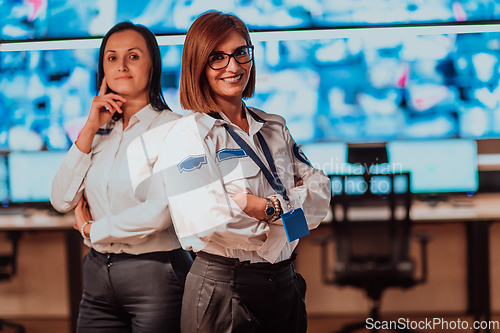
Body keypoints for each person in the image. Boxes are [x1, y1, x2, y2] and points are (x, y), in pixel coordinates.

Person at [156, 11, 331, 333]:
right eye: (217, 58)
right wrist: (291, 208)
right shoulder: (188, 136)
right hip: (224, 286)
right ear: (198, 65)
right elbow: (209, 220)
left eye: (241, 53)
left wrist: (263, 207)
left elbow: (321, 193)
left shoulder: (274, 126)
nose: (234, 66)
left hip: (284, 282)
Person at [51, 22, 192, 333]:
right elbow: (61, 199)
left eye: (133, 56)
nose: (122, 66)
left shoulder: (176, 129)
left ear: (153, 64)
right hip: (98, 274)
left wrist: (92, 229)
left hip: (156, 274)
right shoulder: (98, 132)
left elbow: (158, 212)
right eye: (112, 58)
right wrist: (88, 129)